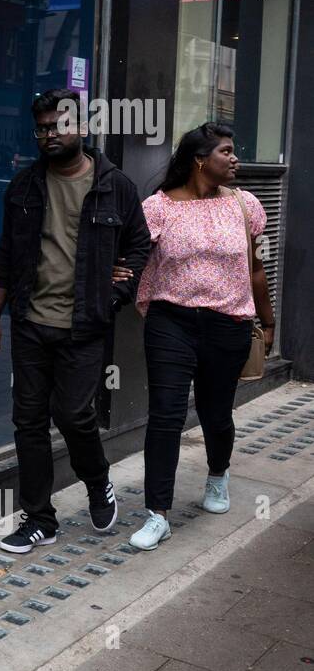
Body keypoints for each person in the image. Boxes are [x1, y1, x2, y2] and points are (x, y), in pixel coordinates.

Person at [0, 89, 151, 553]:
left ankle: (97, 481)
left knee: (75, 415)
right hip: (30, 323)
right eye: (42, 128)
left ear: (83, 126)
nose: (49, 135)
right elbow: (6, 258)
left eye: (59, 125)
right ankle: (39, 518)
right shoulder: (23, 187)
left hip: (84, 325)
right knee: (28, 422)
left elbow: (139, 244)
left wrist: (116, 291)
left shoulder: (114, 185)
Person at [127, 122, 275, 550]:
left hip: (227, 323)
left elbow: (255, 269)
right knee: (165, 416)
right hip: (170, 321)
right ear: (199, 160)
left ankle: (217, 474)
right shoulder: (158, 208)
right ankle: (158, 514)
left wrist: (268, 323)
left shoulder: (244, 205)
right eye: (226, 151)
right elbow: (132, 256)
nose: (235, 158)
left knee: (216, 413)